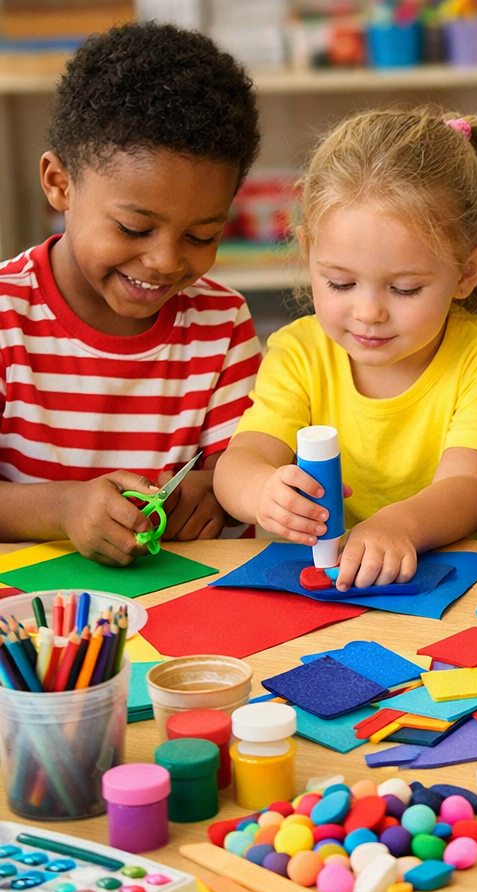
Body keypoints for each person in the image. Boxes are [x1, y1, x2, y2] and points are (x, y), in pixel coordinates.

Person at [214, 109, 477, 591]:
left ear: (468, 272)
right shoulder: (298, 351)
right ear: (307, 255)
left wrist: (398, 526)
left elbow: (467, 486)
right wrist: (262, 491)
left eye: (404, 289)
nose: (368, 312)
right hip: (323, 588)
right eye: (340, 282)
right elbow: (240, 461)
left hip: (454, 589)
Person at [0, 22, 262, 565]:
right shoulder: (7, 316)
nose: (166, 261)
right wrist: (63, 507)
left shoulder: (223, 324)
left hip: (180, 609)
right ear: (59, 184)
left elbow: (245, 471)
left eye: (201, 236)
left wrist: (214, 493)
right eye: (134, 228)